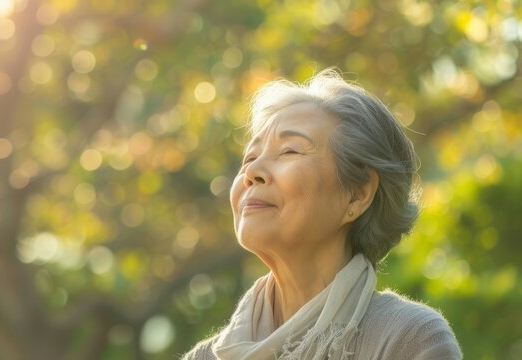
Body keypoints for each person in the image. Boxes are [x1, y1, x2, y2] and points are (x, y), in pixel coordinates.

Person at [182, 69, 462, 359]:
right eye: (250, 158)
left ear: (357, 193)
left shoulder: (408, 340)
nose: (252, 172)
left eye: (289, 151)